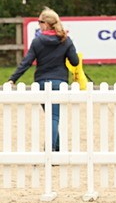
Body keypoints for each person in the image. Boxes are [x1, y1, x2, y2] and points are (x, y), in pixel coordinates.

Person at [8, 9, 79, 152]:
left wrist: (12, 79)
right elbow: (75, 61)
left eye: (39, 22)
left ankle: (54, 149)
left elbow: (26, 62)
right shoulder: (65, 40)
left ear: (46, 24)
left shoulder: (38, 41)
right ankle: (53, 149)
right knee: (54, 117)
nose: (38, 25)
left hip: (42, 81)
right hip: (59, 82)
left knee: (52, 116)